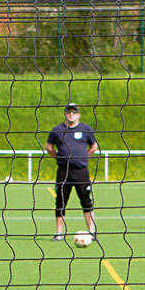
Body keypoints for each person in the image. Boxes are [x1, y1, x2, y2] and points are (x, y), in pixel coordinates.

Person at [45, 103, 99, 240]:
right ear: (65, 114)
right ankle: (59, 233)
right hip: (64, 171)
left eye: (74, 112)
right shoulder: (57, 130)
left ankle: (91, 232)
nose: (71, 114)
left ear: (78, 114)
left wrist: (84, 157)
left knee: (86, 201)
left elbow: (93, 146)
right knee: (60, 201)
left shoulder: (85, 129)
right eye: (69, 112)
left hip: (81, 171)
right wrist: (59, 157)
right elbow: (49, 147)